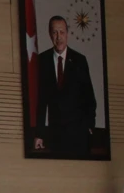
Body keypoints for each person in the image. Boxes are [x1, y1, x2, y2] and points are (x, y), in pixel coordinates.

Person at [33, 15, 96, 157]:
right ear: (50, 34)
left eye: (62, 32)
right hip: (55, 136)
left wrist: (89, 126)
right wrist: (39, 134)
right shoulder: (42, 61)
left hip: (79, 135)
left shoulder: (80, 61)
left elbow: (89, 98)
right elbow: (41, 102)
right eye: (55, 32)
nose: (58, 37)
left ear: (67, 33)